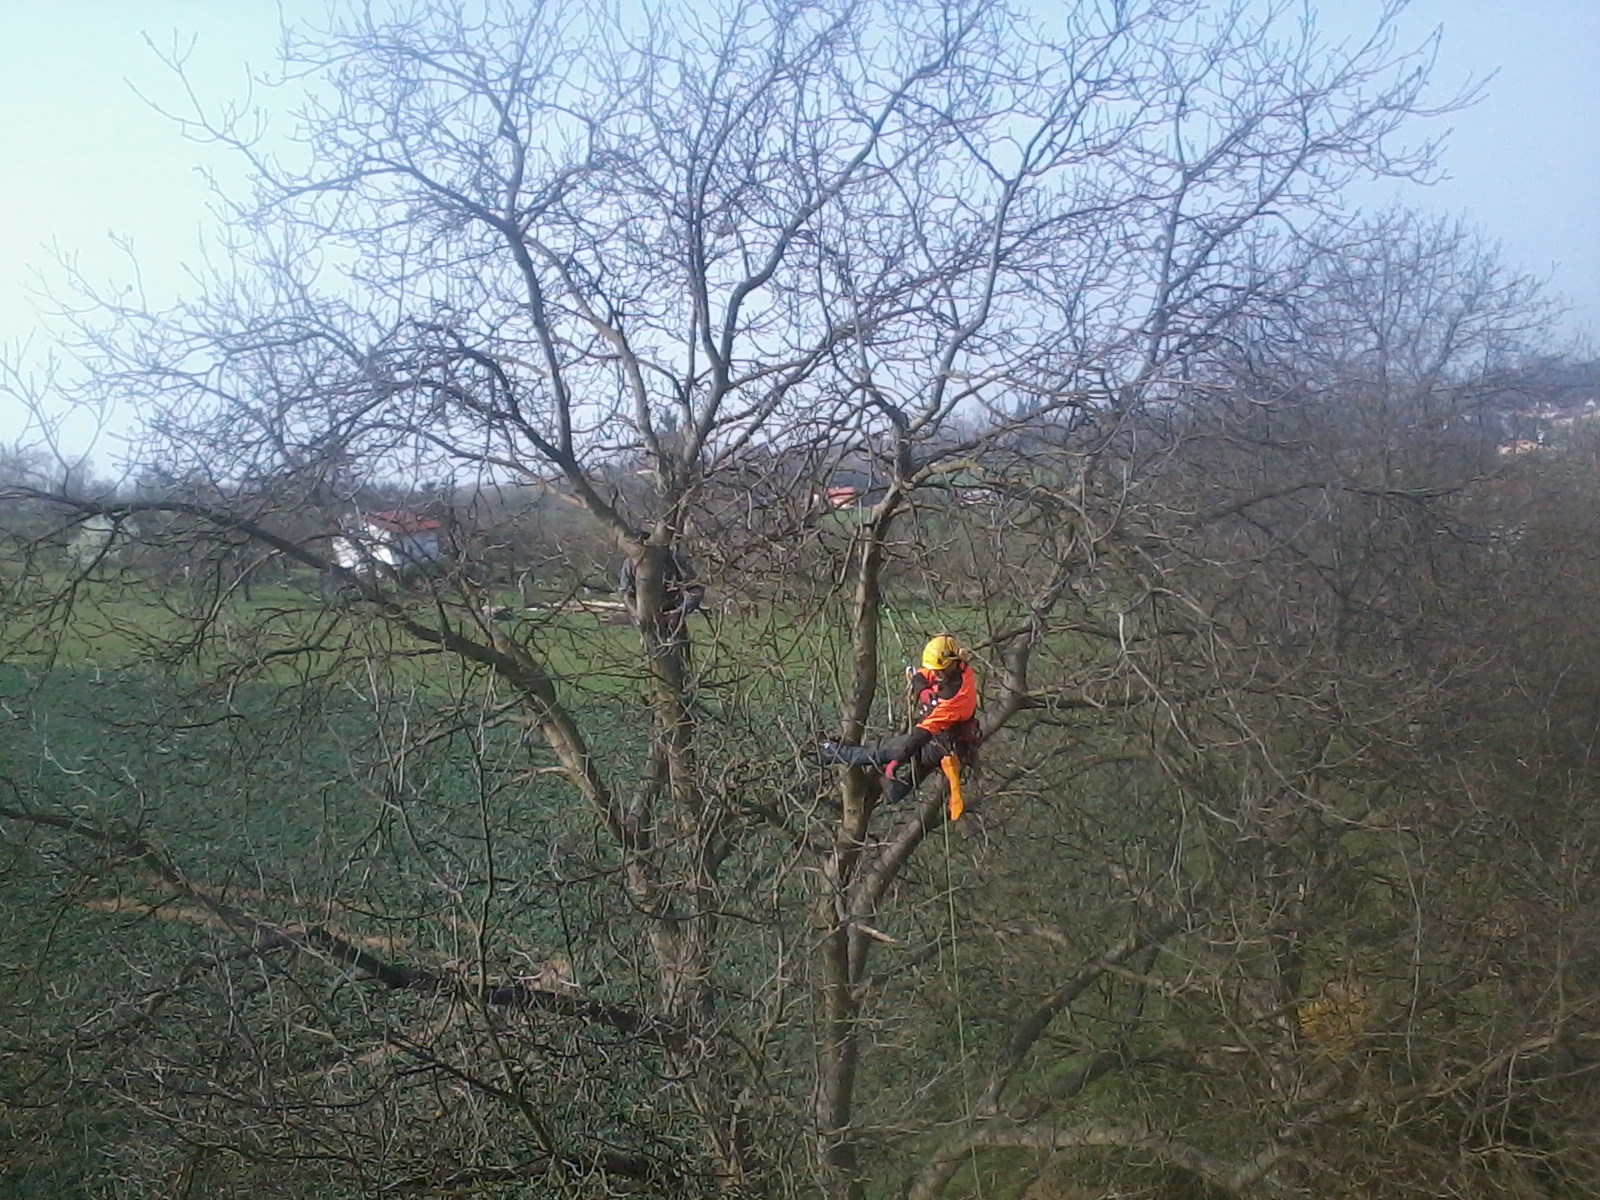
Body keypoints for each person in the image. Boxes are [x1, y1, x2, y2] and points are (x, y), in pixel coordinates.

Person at [819, 634, 979, 814]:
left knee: (884, 750)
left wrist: (896, 760)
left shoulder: (955, 698)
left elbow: (921, 735)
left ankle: (830, 752)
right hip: (950, 741)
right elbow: (925, 675)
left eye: (939, 670)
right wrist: (919, 682)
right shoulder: (961, 669)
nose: (935, 674)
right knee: (916, 768)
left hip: (940, 744)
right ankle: (896, 792)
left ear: (951, 663)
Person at [618, 549, 705, 637]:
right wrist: (637, 614)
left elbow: (696, 588)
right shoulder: (630, 564)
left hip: (673, 624)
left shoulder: (675, 560)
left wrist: (678, 612)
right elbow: (625, 593)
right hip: (646, 625)